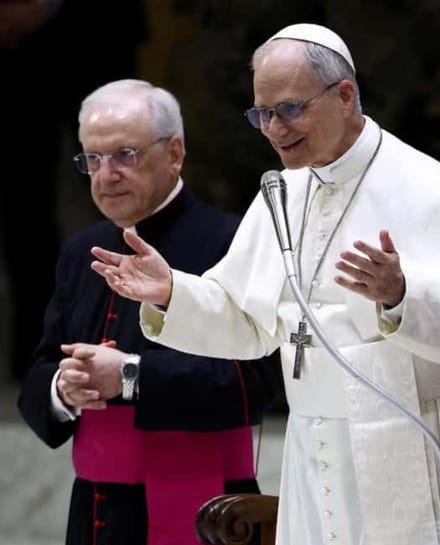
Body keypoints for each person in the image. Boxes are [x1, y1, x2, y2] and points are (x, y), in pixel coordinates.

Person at [89, 23, 440, 545]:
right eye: (261, 114)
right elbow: (248, 321)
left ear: (344, 96)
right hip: (313, 448)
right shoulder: (284, 191)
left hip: (411, 439)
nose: (274, 129)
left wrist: (402, 296)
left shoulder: (429, 189)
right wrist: (171, 292)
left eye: (290, 109)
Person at [17, 79, 276, 545]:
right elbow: (37, 370)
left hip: (210, 510)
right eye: (92, 159)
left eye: (124, 155)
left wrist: (131, 378)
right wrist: (63, 386)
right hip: (97, 509)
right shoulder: (81, 251)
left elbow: (257, 381)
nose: (105, 174)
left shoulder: (233, 241)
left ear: (174, 153)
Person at [1, 0, 147, 381]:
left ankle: (148, 338)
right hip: (16, 60)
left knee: (130, 191)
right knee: (24, 209)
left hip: (92, 35)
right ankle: (37, 353)